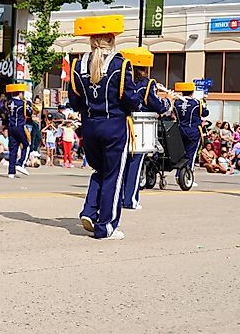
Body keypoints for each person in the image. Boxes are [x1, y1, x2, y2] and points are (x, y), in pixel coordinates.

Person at [69, 15, 140, 240]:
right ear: (111, 39)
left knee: (100, 171)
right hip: (114, 126)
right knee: (114, 176)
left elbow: (75, 102)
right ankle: (106, 226)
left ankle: (90, 211)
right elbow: (130, 100)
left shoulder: (78, 64)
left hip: (89, 126)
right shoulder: (121, 64)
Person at [119, 47, 170, 210]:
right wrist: (168, 101)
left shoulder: (121, 80)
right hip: (142, 124)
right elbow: (156, 104)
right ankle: (130, 199)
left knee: (122, 162)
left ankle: (119, 197)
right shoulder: (148, 84)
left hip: (122, 122)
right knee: (136, 162)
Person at [173, 82, 209, 184]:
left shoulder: (176, 102)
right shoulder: (197, 102)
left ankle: (178, 174)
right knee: (191, 155)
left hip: (179, 130)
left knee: (181, 154)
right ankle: (188, 177)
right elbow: (205, 113)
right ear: (192, 92)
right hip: (193, 130)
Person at [3, 83, 32, 179]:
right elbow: (29, 113)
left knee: (13, 149)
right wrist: (29, 103)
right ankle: (21, 163)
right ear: (20, 93)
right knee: (27, 145)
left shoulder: (8, 102)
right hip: (20, 126)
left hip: (11, 127)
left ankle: (11, 172)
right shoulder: (23, 103)